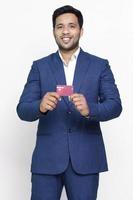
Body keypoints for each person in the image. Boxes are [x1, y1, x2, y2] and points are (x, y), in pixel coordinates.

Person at [16, 5, 122, 200]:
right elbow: (22, 109)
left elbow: (115, 105)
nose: (65, 31)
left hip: (86, 159)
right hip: (47, 161)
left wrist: (91, 109)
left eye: (71, 26)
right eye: (60, 27)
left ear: (81, 30)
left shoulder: (100, 65)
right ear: (54, 31)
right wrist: (40, 106)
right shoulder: (40, 66)